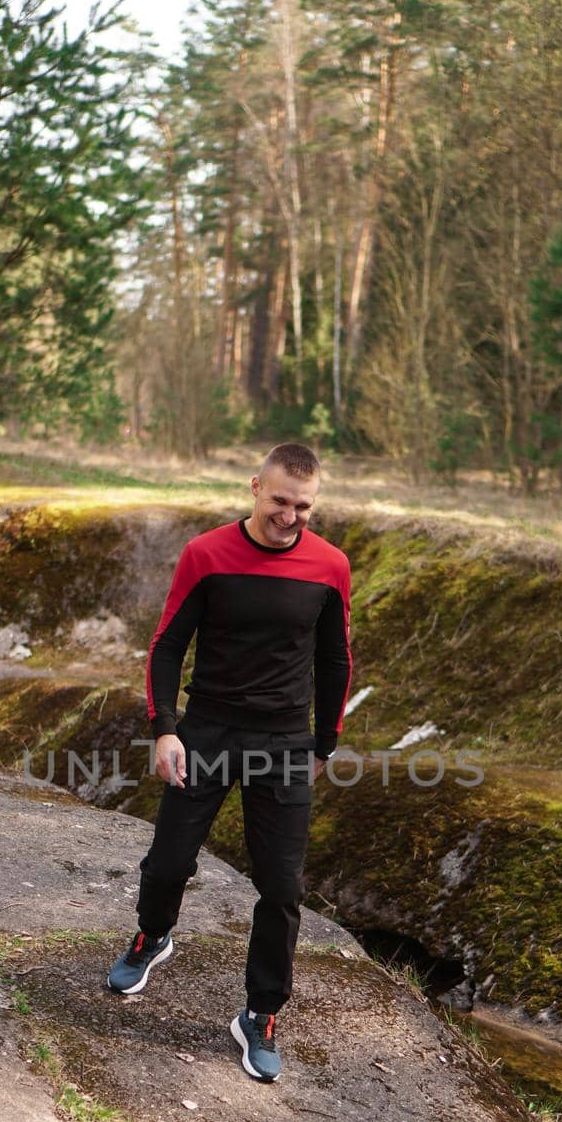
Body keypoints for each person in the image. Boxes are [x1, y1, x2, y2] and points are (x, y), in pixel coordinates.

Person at [107, 442, 353, 1082]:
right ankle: (151, 936)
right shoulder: (207, 554)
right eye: (279, 501)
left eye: (303, 506)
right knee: (168, 862)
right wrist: (165, 730)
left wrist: (323, 742)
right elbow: (166, 648)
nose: (290, 515)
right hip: (208, 731)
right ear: (254, 488)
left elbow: (335, 661)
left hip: (283, 742)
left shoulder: (330, 566)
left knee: (281, 888)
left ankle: (260, 1014)